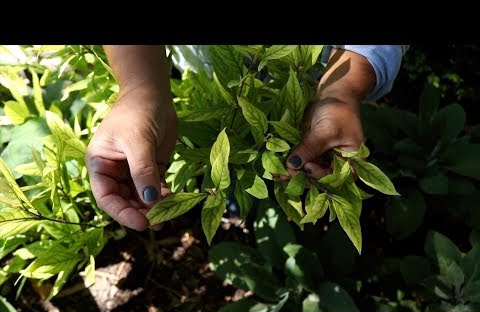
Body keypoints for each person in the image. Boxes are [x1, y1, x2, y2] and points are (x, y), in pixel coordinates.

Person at [85, 45, 408, 231]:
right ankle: (232, 196)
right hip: (210, 64)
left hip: (319, 67)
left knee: (289, 159)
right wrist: (141, 86)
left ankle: (241, 192)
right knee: (236, 168)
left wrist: (342, 90)